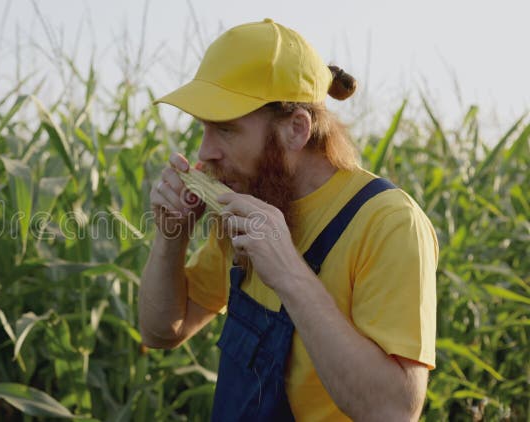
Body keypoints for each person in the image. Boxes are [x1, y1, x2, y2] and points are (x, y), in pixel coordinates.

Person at [138, 18, 438, 421]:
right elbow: (162, 332)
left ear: (296, 130)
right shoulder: (248, 203)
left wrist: (289, 274)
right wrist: (171, 236)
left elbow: (394, 410)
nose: (205, 151)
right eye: (203, 128)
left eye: (225, 130)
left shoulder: (387, 223)